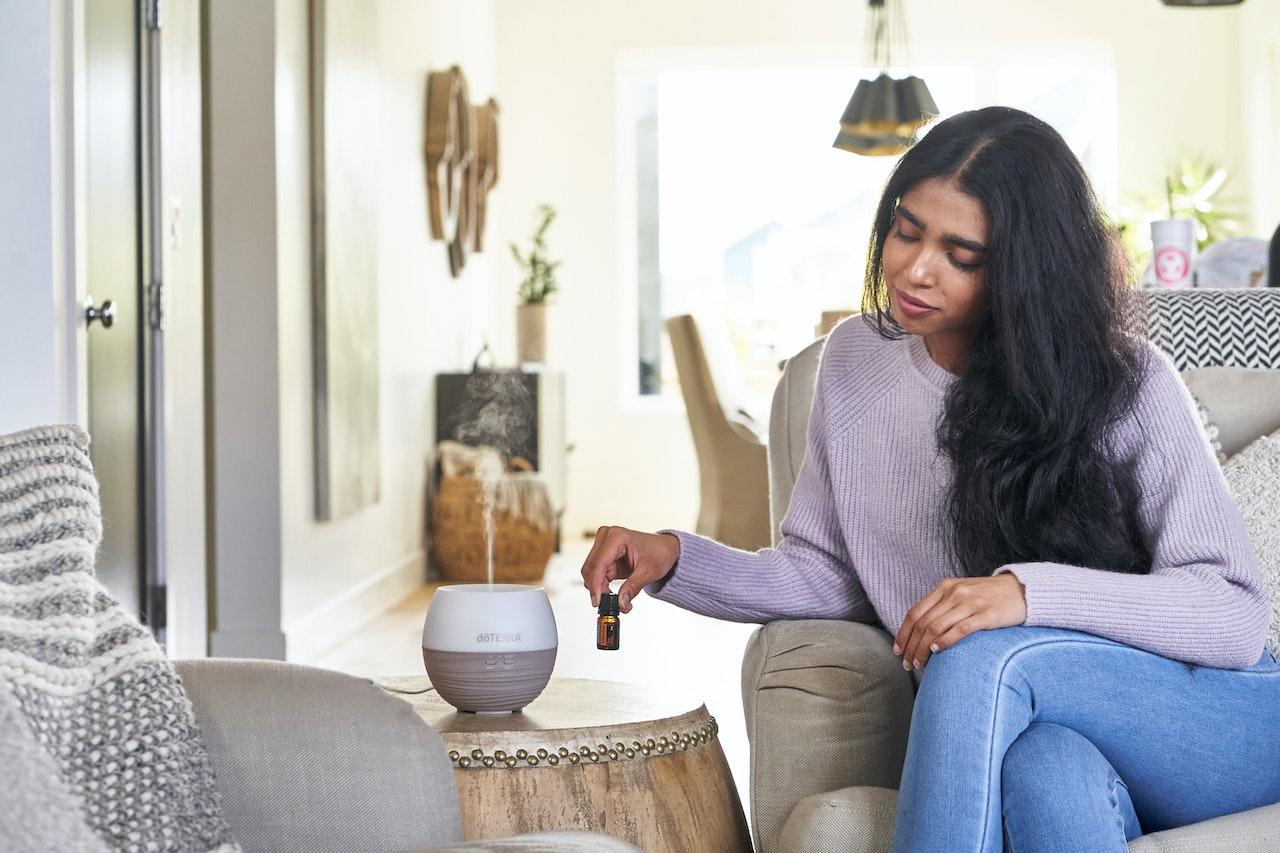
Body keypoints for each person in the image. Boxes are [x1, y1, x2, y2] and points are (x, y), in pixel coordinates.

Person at [579, 106, 1279, 853]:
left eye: (961, 253)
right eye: (906, 230)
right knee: (1045, 778)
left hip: (1219, 718)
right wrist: (674, 558)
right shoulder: (852, 364)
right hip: (1053, 734)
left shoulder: (1127, 381)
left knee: (975, 650)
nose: (915, 267)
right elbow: (827, 574)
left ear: (1023, 266)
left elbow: (1232, 616)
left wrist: (1021, 594)